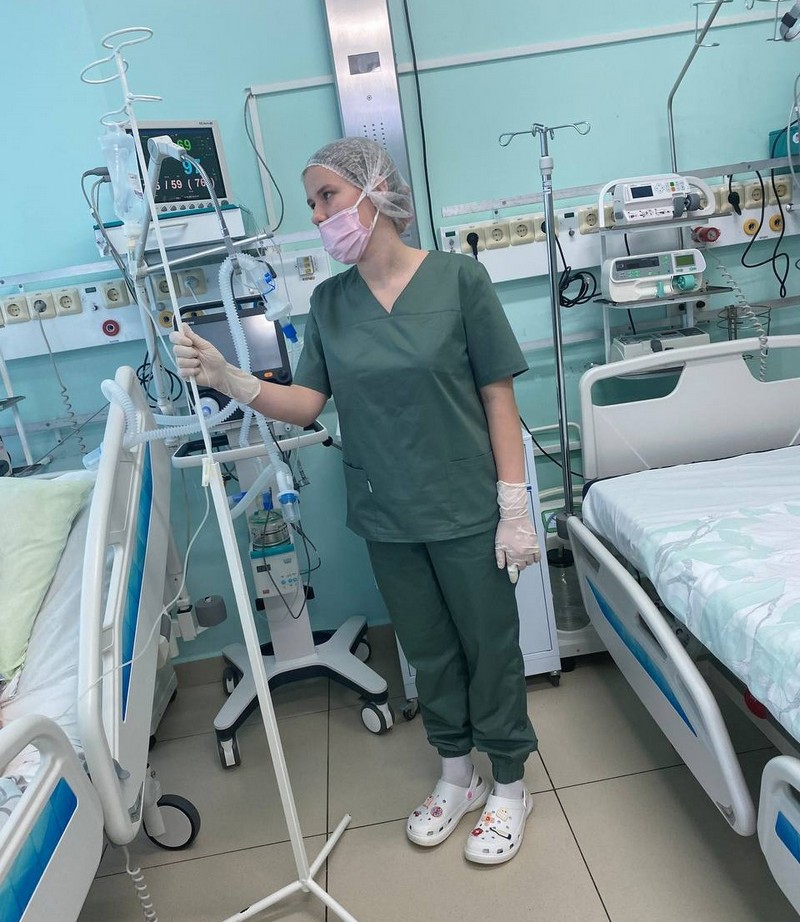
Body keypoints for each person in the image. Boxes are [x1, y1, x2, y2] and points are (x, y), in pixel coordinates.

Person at [171, 137, 541, 865]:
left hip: (466, 506)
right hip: (387, 511)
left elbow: (498, 398)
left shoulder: (460, 281)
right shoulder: (330, 304)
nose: (317, 215)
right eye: (312, 202)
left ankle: (509, 784)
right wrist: (228, 379)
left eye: (327, 197)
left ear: (375, 193)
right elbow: (306, 403)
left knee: (489, 647)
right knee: (428, 650)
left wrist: (515, 507)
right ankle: (456, 774)